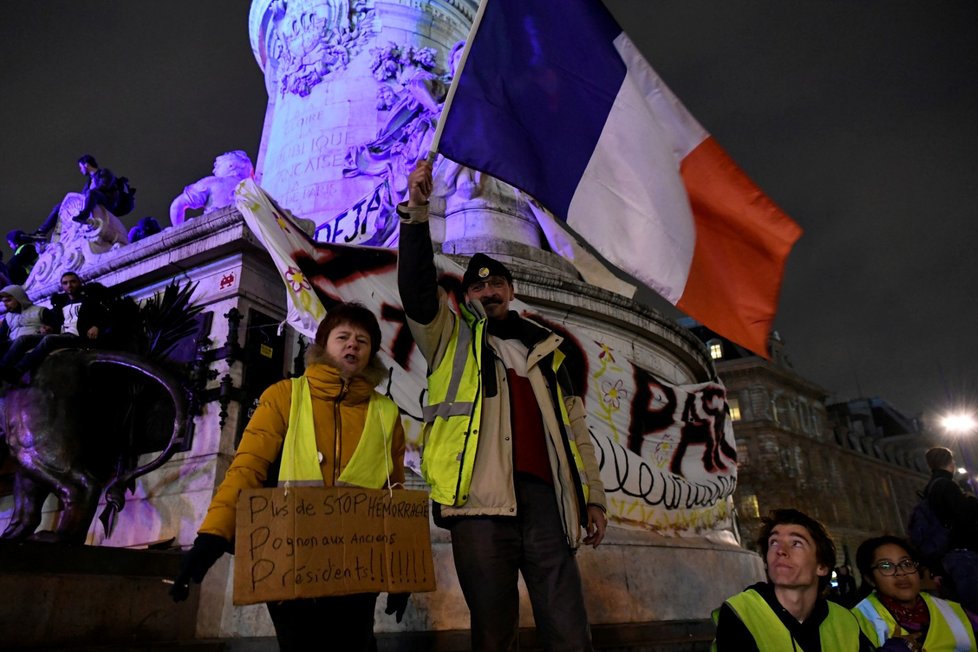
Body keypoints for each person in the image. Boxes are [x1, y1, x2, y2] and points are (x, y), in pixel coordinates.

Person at [397, 160, 607, 651]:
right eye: (478, 286)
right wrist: (417, 212)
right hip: (478, 505)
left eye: (496, 285)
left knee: (571, 632)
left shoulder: (550, 351)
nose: (488, 291)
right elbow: (416, 290)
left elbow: (578, 433)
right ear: (467, 294)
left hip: (546, 505)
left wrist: (592, 497)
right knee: (493, 636)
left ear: (511, 291)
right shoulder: (448, 337)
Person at [169, 303, 408, 652]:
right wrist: (213, 535)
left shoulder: (386, 411)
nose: (352, 345)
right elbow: (247, 467)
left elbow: (395, 493)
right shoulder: (284, 396)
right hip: (291, 557)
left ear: (371, 352)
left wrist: (402, 570)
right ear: (323, 345)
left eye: (362, 340)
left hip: (357, 565)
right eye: (343, 337)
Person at [713, 508, 873, 650]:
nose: (780, 551)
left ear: (822, 567)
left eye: (796, 543)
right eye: (773, 543)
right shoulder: (740, 612)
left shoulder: (844, 620)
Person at [852, 535, 977, 651]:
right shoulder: (855, 621)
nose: (901, 572)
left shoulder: (953, 609)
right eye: (886, 566)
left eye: (907, 564)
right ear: (870, 579)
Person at [12, 271, 110, 379]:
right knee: (23, 339)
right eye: (65, 283)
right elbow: (55, 323)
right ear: (62, 285)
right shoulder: (61, 304)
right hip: (62, 336)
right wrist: (48, 328)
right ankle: (4, 367)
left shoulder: (89, 300)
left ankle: (19, 369)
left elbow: (105, 315)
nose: (69, 285)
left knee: (48, 340)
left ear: (79, 282)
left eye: (73, 282)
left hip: (78, 337)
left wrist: (97, 326)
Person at [923, 447, 978, 612]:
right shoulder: (947, 485)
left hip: (947, 555)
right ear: (950, 463)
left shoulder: (930, 488)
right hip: (963, 553)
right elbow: (963, 518)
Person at [36, 154, 127, 235]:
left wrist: (89, 193)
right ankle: (42, 231)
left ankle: (83, 216)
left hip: (108, 202)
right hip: (93, 200)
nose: (80, 170)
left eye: (81, 167)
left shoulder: (104, 172)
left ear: (86, 164)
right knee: (61, 206)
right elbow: (81, 197)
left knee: (92, 193)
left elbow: (104, 185)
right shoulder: (89, 182)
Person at [168, 150, 253, 226]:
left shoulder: (213, 182)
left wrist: (179, 228)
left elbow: (177, 205)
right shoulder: (252, 190)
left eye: (218, 166)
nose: (214, 171)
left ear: (231, 166)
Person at [0, 285, 51, 381]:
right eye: (4, 302)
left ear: (19, 298)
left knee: (22, 339)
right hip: (14, 343)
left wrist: (47, 329)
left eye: (8, 301)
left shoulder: (41, 311)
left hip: (33, 340)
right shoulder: (8, 317)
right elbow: (2, 337)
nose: (5, 305)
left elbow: (55, 328)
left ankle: (3, 370)